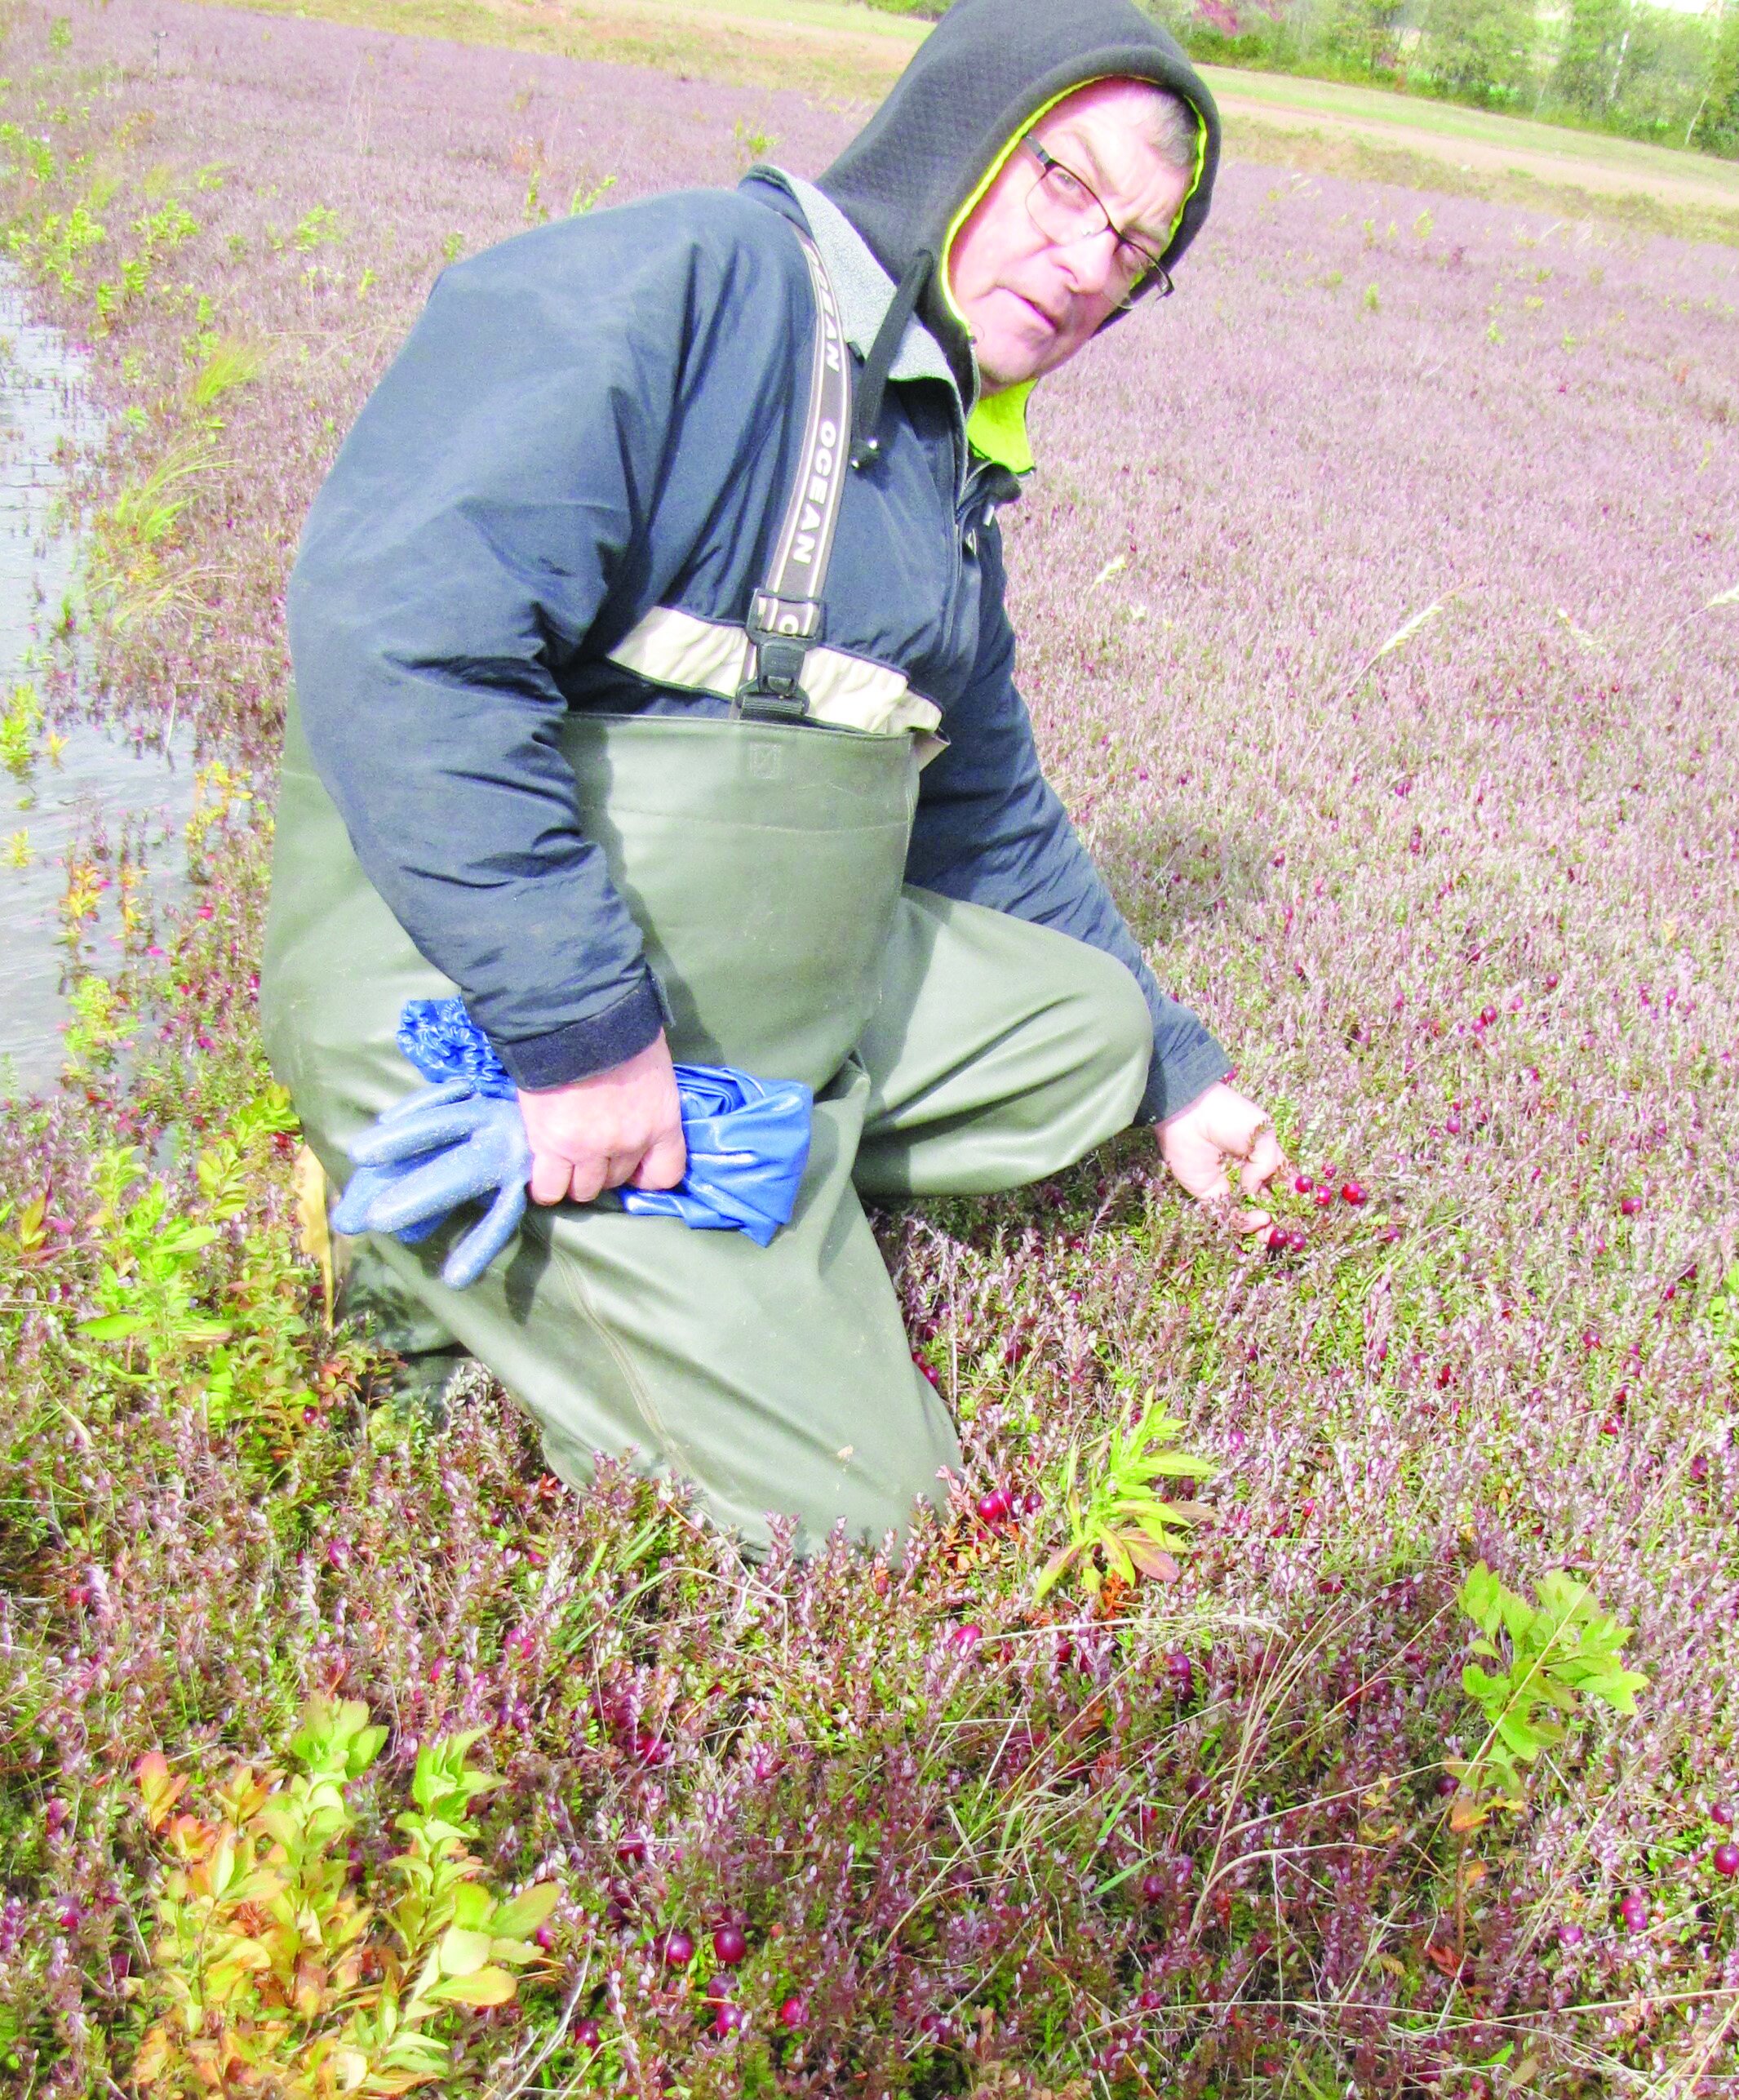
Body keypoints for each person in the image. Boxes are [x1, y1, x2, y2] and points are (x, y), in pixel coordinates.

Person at [262, 0, 1284, 1554]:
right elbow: (398, 632)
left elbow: (988, 811)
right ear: (961, 138)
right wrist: (578, 1033)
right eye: (1066, 185)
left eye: (1137, 246)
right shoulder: (679, 287)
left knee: (1085, 1034)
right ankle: (439, 1251)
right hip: (468, 1000)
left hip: (731, 1000)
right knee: (879, 1523)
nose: (1092, 266)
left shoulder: (944, 453)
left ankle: (727, 1179)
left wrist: (1181, 1068)